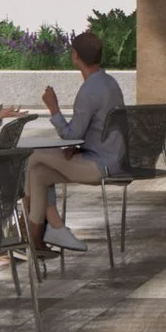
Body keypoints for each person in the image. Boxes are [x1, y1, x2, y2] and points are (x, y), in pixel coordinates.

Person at [26, 29, 121, 254]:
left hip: (99, 166)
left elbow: (70, 134)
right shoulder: (111, 83)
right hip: (111, 159)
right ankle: (38, 240)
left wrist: (53, 108)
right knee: (38, 174)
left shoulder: (89, 90)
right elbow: (98, 129)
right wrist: (80, 148)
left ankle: (22, 231)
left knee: (31, 155)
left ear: (75, 55)